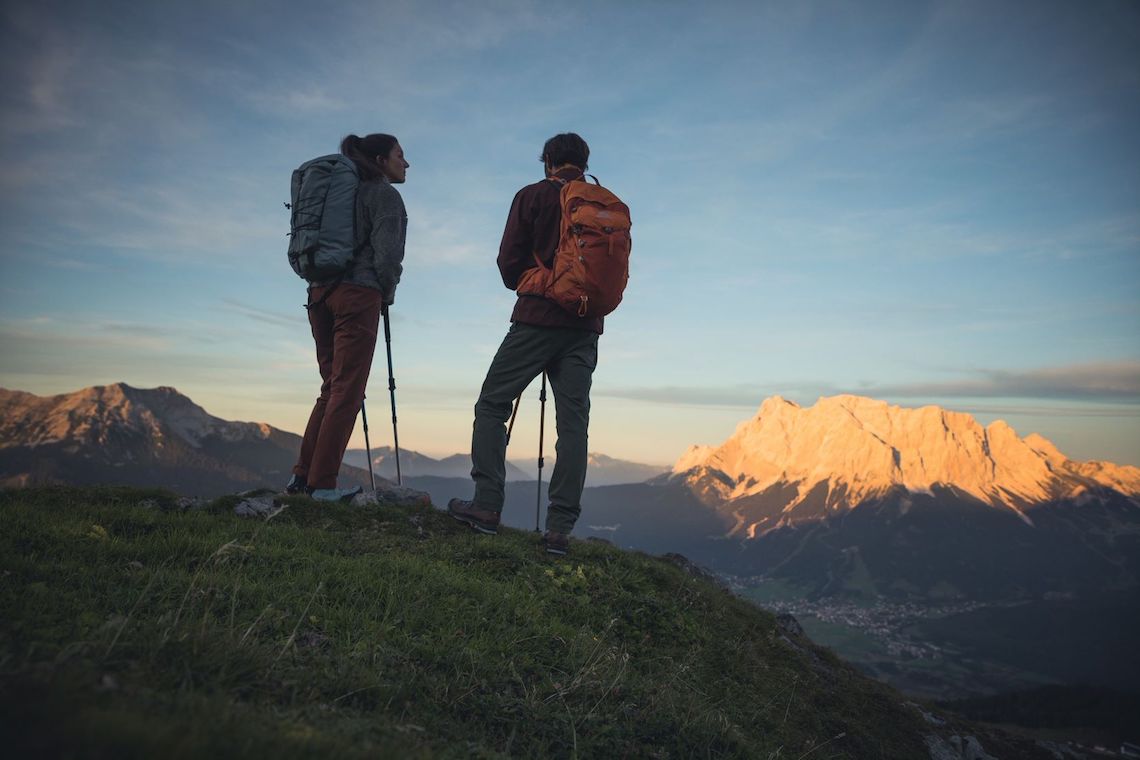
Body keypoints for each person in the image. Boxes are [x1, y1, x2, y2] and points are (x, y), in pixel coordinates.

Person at [449, 133, 602, 555]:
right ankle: (559, 530)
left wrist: (538, 284)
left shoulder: (533, 196)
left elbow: (507, 264)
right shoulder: (602, 205)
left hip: (537, 319)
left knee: (493, 404)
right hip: (585, 327)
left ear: (548, 161)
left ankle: (486, 506)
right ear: (584, 163)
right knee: (573, 425)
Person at [286, 133, 409, 502]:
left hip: (319, 293)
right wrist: (386, 292)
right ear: (380, 159)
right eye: (400, 155)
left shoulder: (336, 194)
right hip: (357, 296)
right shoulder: (383, 195)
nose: (406, 163)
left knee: (331, 388)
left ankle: (301, 480)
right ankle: (322, 486)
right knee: (347, 391)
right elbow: (388, 256)